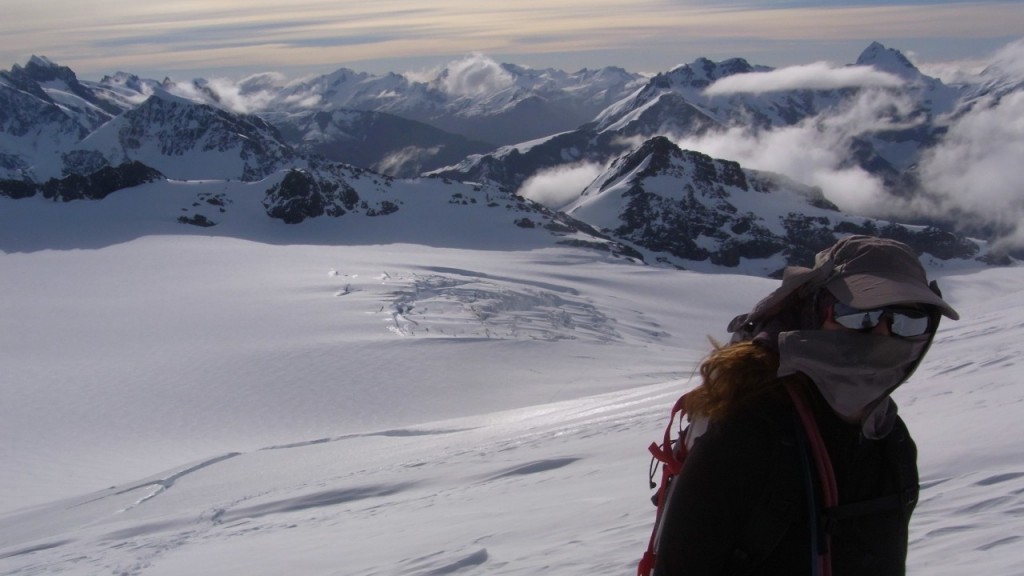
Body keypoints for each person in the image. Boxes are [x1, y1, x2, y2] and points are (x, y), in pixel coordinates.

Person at [652, 235, 959, 576]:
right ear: (814, 310)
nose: (882, 336)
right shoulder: (749, 430)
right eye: (859, 317)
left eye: (907, 321)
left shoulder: (889, 435)